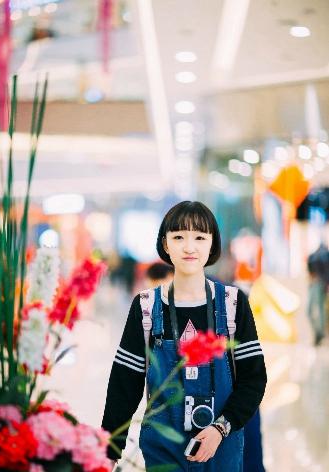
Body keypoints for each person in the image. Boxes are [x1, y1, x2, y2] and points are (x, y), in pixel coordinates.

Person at [102, 201, 267, 471]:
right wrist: (110, 448)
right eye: (179, 237)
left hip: (221, 448)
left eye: (200, 237)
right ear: (166, 244)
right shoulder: (145, 306)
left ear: (212, 244)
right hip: (163, 450)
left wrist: (220, 429)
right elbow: (125, 381)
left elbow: (253, 378)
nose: (189, 247)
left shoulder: (232, 303)